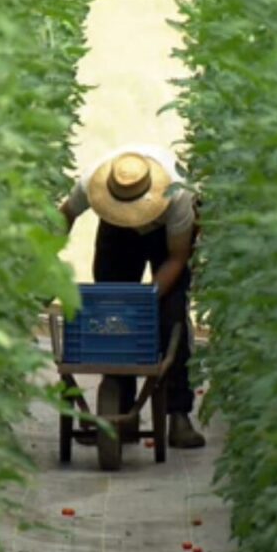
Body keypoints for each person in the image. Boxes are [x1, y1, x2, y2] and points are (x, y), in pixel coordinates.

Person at [59, 144, 205, 449]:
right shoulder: (93, 182)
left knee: (171, 315)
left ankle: (178, 414)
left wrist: (147, 298)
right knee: (112, 312)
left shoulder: (178, 196)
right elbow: (64, 216)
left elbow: (177, 258)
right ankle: (121, 409)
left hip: (166, 235)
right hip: (116, 233)